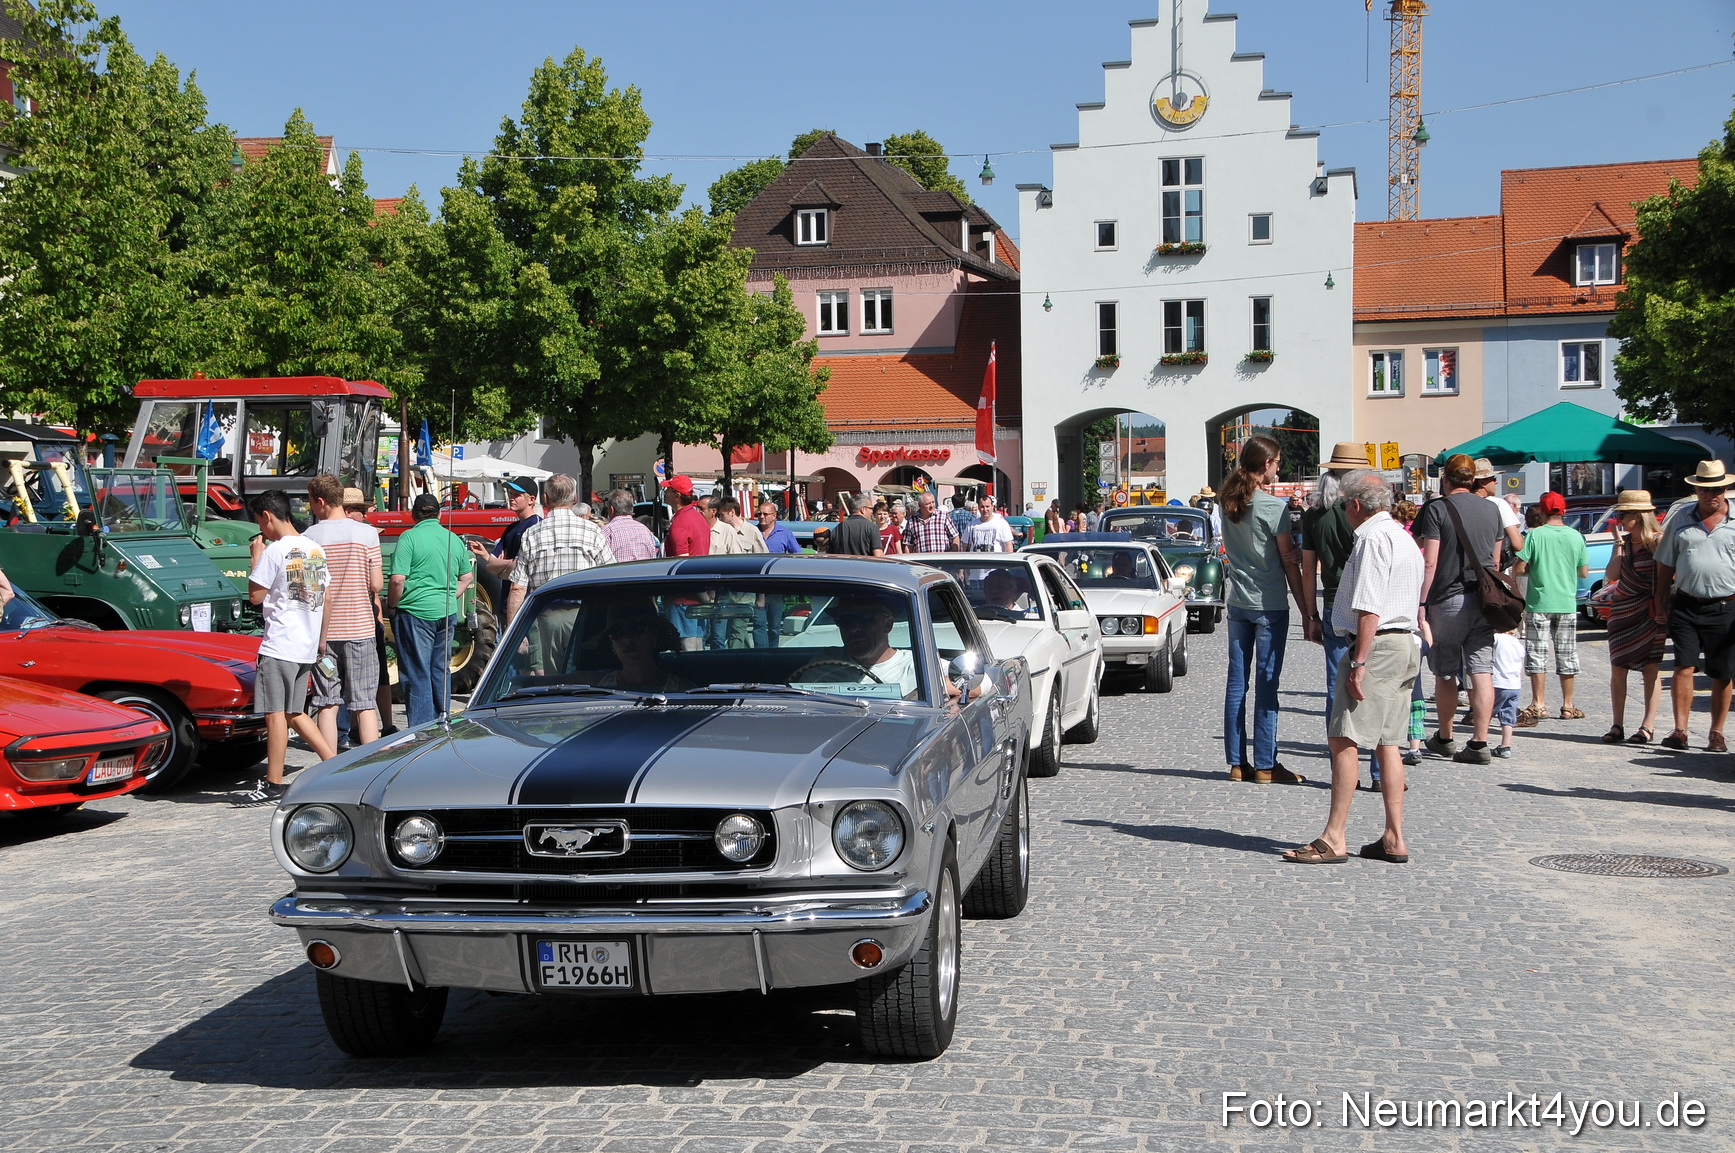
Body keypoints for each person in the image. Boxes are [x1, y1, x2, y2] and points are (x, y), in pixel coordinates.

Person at [1281, 470, 1422, 864]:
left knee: (1344, 737)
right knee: (1388, 741)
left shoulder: (1373, 539)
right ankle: (1393, 837)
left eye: (1345, 504)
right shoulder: (1402, 537)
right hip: (1404, 643)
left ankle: (1334, 837)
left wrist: (1359, 661)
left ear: (1356, 505)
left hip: (1376, 646)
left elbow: (1370, 606)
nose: (1343, 511)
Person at [1219, 435, 1310, 784]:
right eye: (1277, 463)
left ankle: (1237, 763)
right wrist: (1305, 610)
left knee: (1236, 684)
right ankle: (1266, 764)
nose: (1279, 468)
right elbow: (1289, 562)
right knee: (1267, 685)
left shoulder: (1227, 502)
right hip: (1269, 603)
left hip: (1238, 602)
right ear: (1265, 465)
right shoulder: (1274, 507)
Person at [242, 489, 336, 801]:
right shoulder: (314, 549)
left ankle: (273, 782)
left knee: (275, 713)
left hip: (280, 643)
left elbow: (255, 596)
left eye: (259, 521)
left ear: (266, 517)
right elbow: (326, 597)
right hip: (306, 643)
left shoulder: (274, 551)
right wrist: (321, 639)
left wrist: (255, 557)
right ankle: (334, 766)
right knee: (296, 712)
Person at [1412, 453, 1505, 765]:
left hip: (1447, 598)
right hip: (1484, 599)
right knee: (1481, 670)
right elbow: (1496, 561)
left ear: (1446, 479)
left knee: (1445, 672)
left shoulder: (1438, 508)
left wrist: (1422, 602)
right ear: (1474, 479)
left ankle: (1446, 736)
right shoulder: (1492, 510)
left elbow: (1429, 560)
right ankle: (1480, 742)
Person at [1653, 460, 1735, 752]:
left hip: (1726, 605)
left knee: (1722, 672)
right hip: (1687, 603)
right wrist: (1659, 602)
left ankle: (1717, 732)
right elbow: (1664, 565)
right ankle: (1680, 730)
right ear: (1696, 489)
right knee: (1683, 666)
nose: (1710, 495)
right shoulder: (1681, 518)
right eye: (1704, 489)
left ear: (1725, 489)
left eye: (1716, 489)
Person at [303, 473, 383, 754]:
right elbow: (376, 584)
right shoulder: (366, 533)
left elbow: (311, 590)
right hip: (360, 628)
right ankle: (369, 766)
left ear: (321, 501)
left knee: (327, 702)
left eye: (311, 503)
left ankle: (329, 763)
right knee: (364, 702)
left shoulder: (309, 538)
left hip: (324, 635)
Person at [387, 493, 474, 728]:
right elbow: (467, 577)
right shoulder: (452, 539)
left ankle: (421, 728)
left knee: (417, 671)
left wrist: (392, 606)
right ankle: (443, 718)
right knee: (440, 667)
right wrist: (447, 595)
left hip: (414, 610)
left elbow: (397, 580)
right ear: (439, 514)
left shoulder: (409, 538)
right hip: (445, 610)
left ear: (414, 514)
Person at [1300, 443, 1366, 734]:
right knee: (1370, 681)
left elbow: (1308, 570)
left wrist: (1309, 614)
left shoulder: (1315, 514)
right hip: (1367, 602)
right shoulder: (1363, 511)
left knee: (1334, 684)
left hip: (1332, 600)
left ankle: (1339, 756)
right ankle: (1377, 770)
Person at [1513, 490, 1590, 723]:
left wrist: (1534, 569)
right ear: (1563, 511)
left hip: (1539, 601)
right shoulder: (1575, 536)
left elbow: (1519, 568)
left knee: (1537, 653)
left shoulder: (1535, 536)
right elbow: (1584, 571)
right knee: (1567, 653)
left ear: (1543, 511)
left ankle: (1539, 703)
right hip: (1566, 601)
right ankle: (1567, 705)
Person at [1602, 489, 1666, 744]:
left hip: (1649, 611)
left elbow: (1664, 579)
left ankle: (1647, 726)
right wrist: (1617, 543)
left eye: (1622, 514)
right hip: (1622, 611)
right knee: (1618, 668)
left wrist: (1663, 608)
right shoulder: (1625, 542)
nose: (1619, 518)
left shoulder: (1658, 542)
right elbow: (1613, 575)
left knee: (1650, 668)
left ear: (1637, 516)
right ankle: (1617, 724)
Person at [802, 594, 917, 697]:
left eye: (865, 618)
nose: (854, 628)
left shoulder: (915, 668)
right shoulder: (823, 663)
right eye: (845, 620)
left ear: (887, 625)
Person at [595, 600, 693, 693]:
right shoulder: (591, 686)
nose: (627, 640)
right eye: (616, 632)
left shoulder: (685, 691)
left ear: (654, 635)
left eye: (637, 629)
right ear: (612, 642)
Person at [468, 477, 542, 585]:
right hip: (506, 596)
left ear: (531, 499)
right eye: (511, 494)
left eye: (517, 495)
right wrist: (488, 556)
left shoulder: (536, 525)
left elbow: (522, 567)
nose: (511, 498)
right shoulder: (511, 528)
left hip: (524, 595)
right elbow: (490, 566)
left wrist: (502, 568)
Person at [1474, 458, 1526, 562]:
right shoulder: (1499, 504)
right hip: (1491, 565)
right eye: (1493, 479)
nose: (1496, 482)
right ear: (1483, 482)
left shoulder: (1461, 503)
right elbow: (1517, 544)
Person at [1491, 622, 1524, 758]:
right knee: (1508, 716)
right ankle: (1505, 746)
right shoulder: (1518, 644)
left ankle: (1480, 740)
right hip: (1514, 685)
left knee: (1486, 712)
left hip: (1498, 682)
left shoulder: (1497, 638)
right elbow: (1521, 667)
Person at [602, 488, 661, 561]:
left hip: (618, 572)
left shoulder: (607, 531)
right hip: (644, 571)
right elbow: (653, 557)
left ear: (611, 509)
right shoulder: (645, 531)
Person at [663, 475, 711, 558]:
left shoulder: (680, 524)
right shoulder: (699, 518)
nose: (665, 492)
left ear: (677, 495)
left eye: (668, 490)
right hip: (703, 568)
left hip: (690, 570)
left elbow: (681, 561)